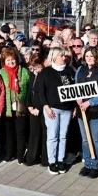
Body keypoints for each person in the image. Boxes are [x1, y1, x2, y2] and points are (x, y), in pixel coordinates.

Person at [75, 47, 98, 178]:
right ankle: (88, 163)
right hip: (81, 110)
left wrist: (90, 102)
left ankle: (96, 165)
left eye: (91, 56)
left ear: (97, 57)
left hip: (95, 110)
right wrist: (77, 98)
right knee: (85, 139)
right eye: (87, 56)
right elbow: (76, 86)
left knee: (94, 139)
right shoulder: (80, 69)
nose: (89, 58)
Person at [39, 47, 75, 175]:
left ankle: (60, 160)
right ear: (54, 57)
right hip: (52, 108)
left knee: (63, 135)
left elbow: (73, 89)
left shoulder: (69, 71)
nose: (64, 58)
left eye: (65, 56)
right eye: (61, 55)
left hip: (67, 109)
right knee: (53, 135)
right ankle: (52, 161)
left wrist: (74, 107)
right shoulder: (46, 71)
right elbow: (40, 91)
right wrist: (46, 106)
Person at [0, 47, 31, 164]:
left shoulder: (24, 71)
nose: (11, 62)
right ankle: (9, 154)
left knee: (20, 132)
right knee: (9, 132)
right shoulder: (1, 73)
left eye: (12, 59)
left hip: (21, 107)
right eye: (8, 60)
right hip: (7, 107)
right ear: (4, 61)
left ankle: (20, 155)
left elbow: (29, 89)